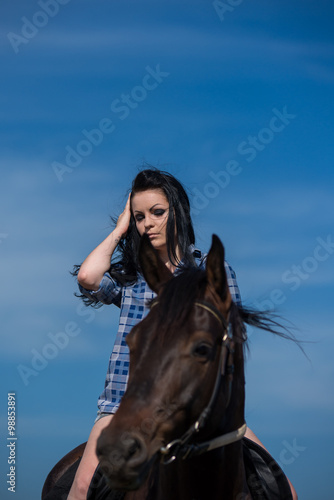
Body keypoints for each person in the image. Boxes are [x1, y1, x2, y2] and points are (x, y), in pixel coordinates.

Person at [68, 168, 297, 499]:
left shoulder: (211, 273)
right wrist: (120, 229)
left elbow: (229, 333)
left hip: (202, 407)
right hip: (124, 405)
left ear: (179, 212)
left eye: (157, 213)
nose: (147, 223)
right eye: (139, 217)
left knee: (286, 490)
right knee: (80, 488)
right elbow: (88, 277)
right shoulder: (132, 279)